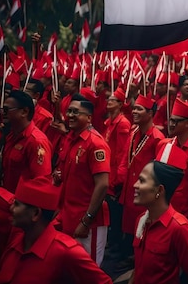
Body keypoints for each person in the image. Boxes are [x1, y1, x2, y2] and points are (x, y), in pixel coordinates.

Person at [0, 176, 112, 284]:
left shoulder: (66, 252)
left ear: (36, 213)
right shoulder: (16, 241)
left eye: (17, 205)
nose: (11, 208)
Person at [54, 94, 110, 266]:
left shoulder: (95, 143)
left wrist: (86, 220)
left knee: (87, 270)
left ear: (89, 118)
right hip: (68, 215)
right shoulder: (71, 138)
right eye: (69, 111)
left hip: (88, 222)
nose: (70, 115)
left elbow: (102, 185)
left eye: (76, 112)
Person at [130, 142, 188, 284]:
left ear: (159, 190)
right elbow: (138, 269)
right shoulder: (141, 220)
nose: (135, 185)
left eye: (142, 181)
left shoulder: (180, 229)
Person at [117, 95, 165, 262]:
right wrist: (120, 176)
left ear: (150, 113)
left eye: (139, 109)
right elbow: (126, 156)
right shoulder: (134, 131)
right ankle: (124, 252)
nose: (134, 111)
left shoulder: (157, 138)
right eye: (134, 108)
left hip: (145, 189)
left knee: (140, 223)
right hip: (129, 185)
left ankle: (134, 258)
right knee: (127, 220)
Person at [0, 91, 52, 193]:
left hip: (22, 204)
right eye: (2, 110)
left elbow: (41, 182)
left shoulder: (36, 141)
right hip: (8, 197)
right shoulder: (11, 135)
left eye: (6, 110)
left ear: (24, 112)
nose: (3, 113)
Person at [103, 87, 131, 253]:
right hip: (108, 168)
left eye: (113, 100)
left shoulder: (123, 123)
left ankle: (115, 243)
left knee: (115, 212)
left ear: (120, 104)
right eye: (109, 99)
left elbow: (122, 152)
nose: (109, 101)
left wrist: (117, 177)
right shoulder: (110, 121)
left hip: (115, 173)